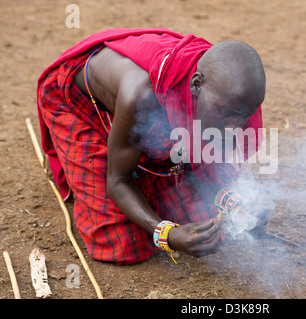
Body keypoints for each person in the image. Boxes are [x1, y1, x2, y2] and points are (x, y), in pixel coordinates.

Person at [36, 28, 265, 265]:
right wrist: (166, 233)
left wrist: (240, 204)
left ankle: (133, 151)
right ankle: (101, 147)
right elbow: (118, 181)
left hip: (136, 113)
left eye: (244, 116)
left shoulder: (229, 98)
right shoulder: (141, 96)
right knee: (122, 244)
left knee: (207, 221)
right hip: (78, 103)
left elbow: (204, 166)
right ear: (196, 85)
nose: (233, 126)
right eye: (226, 113)